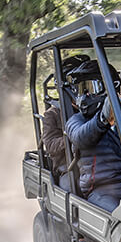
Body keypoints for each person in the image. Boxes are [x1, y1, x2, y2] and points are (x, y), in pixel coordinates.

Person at [64, 59, 121, 211]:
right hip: (100, 191)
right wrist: (102, 120)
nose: (85, 95)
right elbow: (81, 138)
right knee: (119, 216)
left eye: (91, 87)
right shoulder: (76, 120)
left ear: (110, 88)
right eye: (81, 89)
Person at [40, 54, 88, 186]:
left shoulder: (92, 106)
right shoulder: (53, 114)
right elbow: (50, 145)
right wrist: (76, 136)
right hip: (68, 168)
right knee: (72, 187)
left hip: (95, 163)